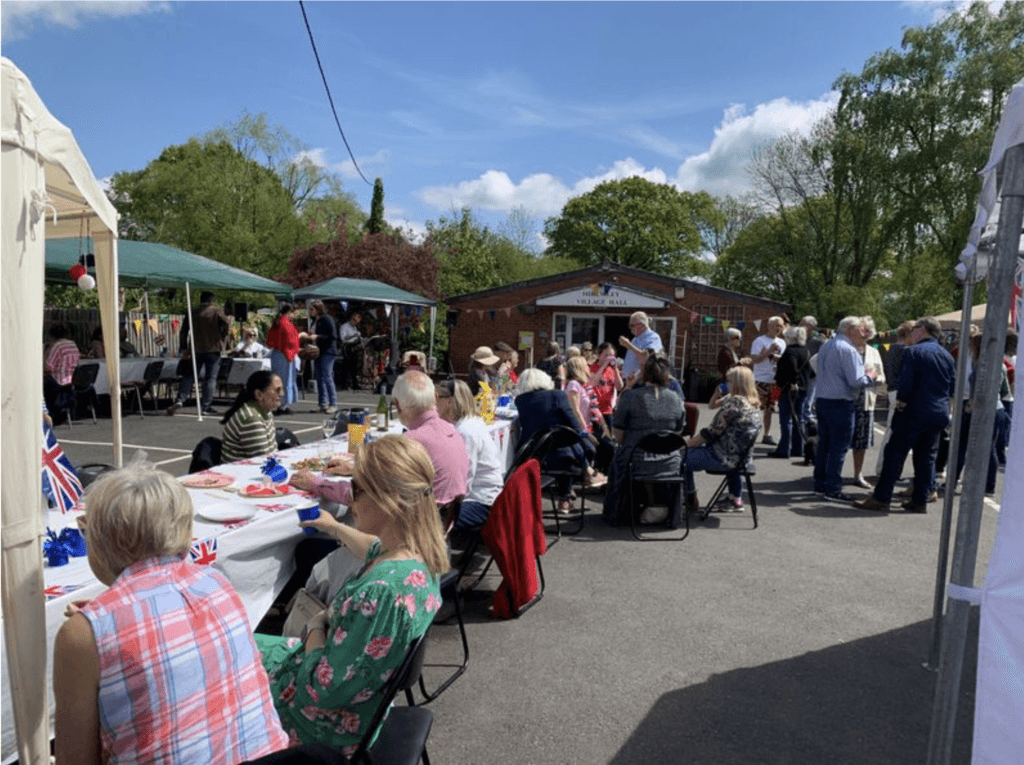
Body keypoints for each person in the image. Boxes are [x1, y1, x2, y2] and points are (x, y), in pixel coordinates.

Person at [53, 465, 288, 765]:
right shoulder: (217, 583)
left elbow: (74, 760)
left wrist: (92, 627)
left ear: (101, 540)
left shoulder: (83, 635)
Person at [257, 436, 447, 755]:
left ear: (387, 500)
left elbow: (324, 690)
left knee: (222, 666)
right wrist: (334, 527)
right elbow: (372, 548)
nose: (351, 501)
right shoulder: (420, 558)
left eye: (356, 489)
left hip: (321, 724)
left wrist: (316, 626)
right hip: (358, 698)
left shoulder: (381, 593)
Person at [854, 317, 956, 513]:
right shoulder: (946, 355)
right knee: (926, 458)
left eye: (916, 328)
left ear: (923, 329)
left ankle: (882, 497)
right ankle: (920, 500)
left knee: (895, 454)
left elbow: (906, 382)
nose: (913, 332)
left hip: (914, 410)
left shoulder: (913, 352)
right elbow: (951, 386)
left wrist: (902, 400)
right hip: (938, 412)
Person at [602, 354, 684, 526]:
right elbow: (678, 431)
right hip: (670, 463)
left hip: (636, 460)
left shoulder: (630, 397)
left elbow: (618, 434)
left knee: (617, 460)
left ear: (644, 373)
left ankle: (622, 511)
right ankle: (661, 507)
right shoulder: (676, 399)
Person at [812, 316, 878, 503]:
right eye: (860, 329)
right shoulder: (848, 350)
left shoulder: (827, 345)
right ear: (850, 329)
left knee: (825, 444)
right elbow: (856, 381)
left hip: (823, 399)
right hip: (840, 401)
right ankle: (832, 488)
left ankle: (820, 483)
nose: (863, 333)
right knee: (839, 446)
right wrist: (871, 376)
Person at [683, 365, 763, 512]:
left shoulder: (734, 404)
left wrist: (684, 445)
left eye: (730, 381)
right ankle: (734, 498)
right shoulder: (754, 404)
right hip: (741, 459)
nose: (727, 384)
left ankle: (689, 500)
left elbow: (709, 433)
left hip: (722, 458)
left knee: (681, 458)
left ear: (738, 383)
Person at [515, 368, 592, 513]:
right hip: (560, 456)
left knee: (563, 442)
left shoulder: (520, 401)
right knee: (569, 443)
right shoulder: (558, 395)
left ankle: (565, 496)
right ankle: (566, 497)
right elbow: (573, 424)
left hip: (531, 455)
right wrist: (585, 436)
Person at [435, 379, 503, 528]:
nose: (433, 403)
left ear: (449, 401)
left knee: (427, 520)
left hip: (481, 502)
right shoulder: (471, 422)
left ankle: (439, 550)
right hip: (484, 495)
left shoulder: (465, 431)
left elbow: (464, 480)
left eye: (436, 397)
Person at [168, 291, 230, 416]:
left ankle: (180, 400)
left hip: (195, 348)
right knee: (210, 379)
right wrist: (222, 337)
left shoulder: (193, 312)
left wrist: (183, 348)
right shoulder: (217, 312)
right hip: (213, 348)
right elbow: (227, 324)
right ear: (211, 301)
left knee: (190, 375)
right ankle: (205, 407)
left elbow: (183, 332)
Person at [874, 321, 915, 476]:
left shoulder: (894, 349)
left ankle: (886, 469)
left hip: (894, 392)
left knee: (893, 432)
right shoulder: (903, 350)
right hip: (899, 394)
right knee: (893, 432)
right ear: (908, 334)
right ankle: (885, 469)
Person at [850, 316, 885, 488]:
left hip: (865, 401)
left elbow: (881, 376)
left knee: (861, 441)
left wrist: (873, 375)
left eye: (867, 331)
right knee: (840, 440)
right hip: (845, 400)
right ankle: (830, 474)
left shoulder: (873, 352)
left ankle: (858, 475)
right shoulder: (845, 348)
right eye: (861, 330)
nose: (864, 334)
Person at [220, 370, 283, 463]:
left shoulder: (265, 411)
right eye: (277, 390)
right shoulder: (251, 418)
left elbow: (271, 452)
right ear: (259, 394)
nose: (281, 394)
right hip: (240, 472)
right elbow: (265, 460)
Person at [564, 355, 609, 485]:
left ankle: (591, 475)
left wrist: (604, 426)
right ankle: (589, 476)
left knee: (607, 446)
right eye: (585, 365)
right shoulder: (573, 385)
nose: (587, 367)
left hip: (588, 426)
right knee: (590, 448)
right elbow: (575, 411)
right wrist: (586, 434)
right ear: (578, 368)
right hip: (579, 429)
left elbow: (594, 408)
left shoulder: (583, 385)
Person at [768, 325, 810, 459]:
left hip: (789, 388)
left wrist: (793, 382)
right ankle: (798, 448)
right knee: (799, 419)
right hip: (803, 388)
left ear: (791, 338)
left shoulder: (790, 351)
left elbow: (792, 368)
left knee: (786, 420)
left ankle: (783, 449)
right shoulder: (805, 350)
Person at [750, 316, 786, 445]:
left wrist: (778, 359)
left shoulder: (782, 342)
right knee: (756, 408)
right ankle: (752, 433)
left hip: (775, 381)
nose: (778, 328)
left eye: (781, 326)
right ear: (769, 325)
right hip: (760, 380)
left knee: (770, 409)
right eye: (776, 325)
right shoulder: (759, 341)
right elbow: (754, 360)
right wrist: (769, 352)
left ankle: (766, 434)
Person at [267, 303, 300, 415]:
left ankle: (281, 405)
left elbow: (273, 339)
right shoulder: (285, 323)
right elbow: (289, 340)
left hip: (278, 354)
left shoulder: (279, 321)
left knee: (280, 381)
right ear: (288, 311)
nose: (293, 314)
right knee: (285, 381)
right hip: (284, 354)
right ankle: (282, 406)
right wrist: (292, 352)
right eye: (292, 312)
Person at [44, 325, 81, 421]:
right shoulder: (73, 344)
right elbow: (78, 363)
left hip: (58, 381)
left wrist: (47, 351)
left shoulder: (57, 346)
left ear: (52, 336)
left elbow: (48, 368)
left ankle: (49, 414)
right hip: (72, 380)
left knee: (42, 384)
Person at [619, 311, 663, 388]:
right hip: (631, 382)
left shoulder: (653, 337)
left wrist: (629, 345)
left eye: (632, 325)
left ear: (641, 325)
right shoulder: (635, 339)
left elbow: (648, 356)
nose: (630, 328)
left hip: (642, 383)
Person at [308, 300, 338, 413]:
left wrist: (318, 337)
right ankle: (322, 404)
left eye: (312, 309)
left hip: (327, 351)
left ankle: (333, 404)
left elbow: (333, 336)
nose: (309, 311)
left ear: (318, 309)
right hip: (318, 351)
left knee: (327, 376)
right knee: (320, 377)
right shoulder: (315, 321)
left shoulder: (326, 319)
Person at [589, 342, 624, 431]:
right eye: (607, 355)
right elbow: (593, 382)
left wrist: (616, 369)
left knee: (609, 439)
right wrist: (604, 365)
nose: (610, 358)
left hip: (608, 411)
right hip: (595, 411)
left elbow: (620, 387)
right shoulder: (592, 368)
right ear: (599, 355)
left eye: (612, 355)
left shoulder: (612, 370)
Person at [800, 315, 824, 425]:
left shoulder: (819, 344)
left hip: (811, 377)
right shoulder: (797, 341)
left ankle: (804, 433)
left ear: (811, 327)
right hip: (798, 377)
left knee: (806, 407)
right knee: (797, 407)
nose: (799, 326)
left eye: (802, 324)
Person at [338, 310, 363, 391]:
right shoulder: (344, 326)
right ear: (353, 316)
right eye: (357, 317)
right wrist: (354, 335)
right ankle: (345, 384)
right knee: (347, 365)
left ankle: (354, 383)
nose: (358, 320)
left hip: (355, 347)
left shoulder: (355, 328)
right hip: (347, 348)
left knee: (354, 366)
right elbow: (343, 338)